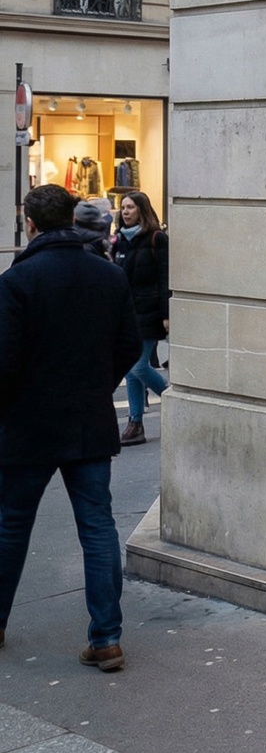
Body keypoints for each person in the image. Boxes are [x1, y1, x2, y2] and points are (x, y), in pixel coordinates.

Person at [0, 184, 139, 669]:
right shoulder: (108, 275)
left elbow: (5, 361)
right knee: (98, 527)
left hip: (28, 424)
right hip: (88, 419)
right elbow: (129, 346)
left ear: (30, 224)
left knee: (11, 527)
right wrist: (100, 384)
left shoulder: (18, 281)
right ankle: (106, 637)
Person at [111, 191, 169, 446]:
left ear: (142, 210)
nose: (125, 212)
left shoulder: (157, 238)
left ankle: (171, 400)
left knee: (137, 366)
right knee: (132, 372)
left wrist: (166, 314)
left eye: (130, 207)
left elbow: (165, 278)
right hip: (127, 312)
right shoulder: (119, 240)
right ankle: (135, 423)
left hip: (149, 312)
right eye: (123, 207)